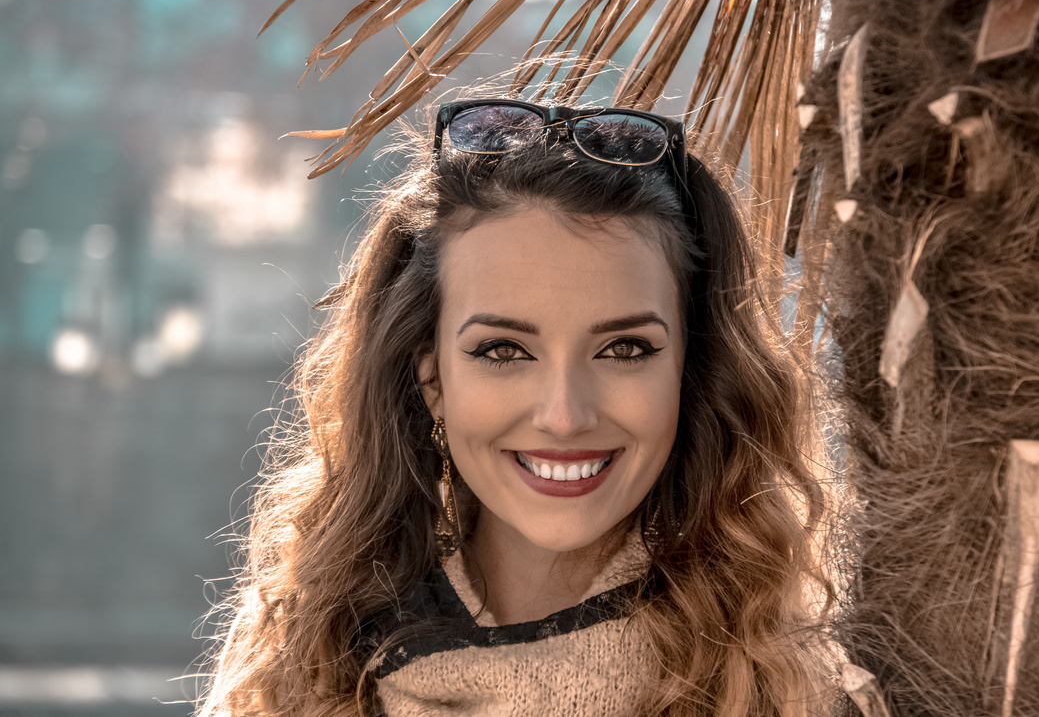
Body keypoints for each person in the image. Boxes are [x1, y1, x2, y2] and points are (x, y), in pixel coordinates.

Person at [196, 98, 834, 716]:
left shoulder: (798, 694)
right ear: (432, 378)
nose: (564, 415)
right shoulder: (294, 677)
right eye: (503, 351)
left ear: (690, 373)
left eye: (624, 349)